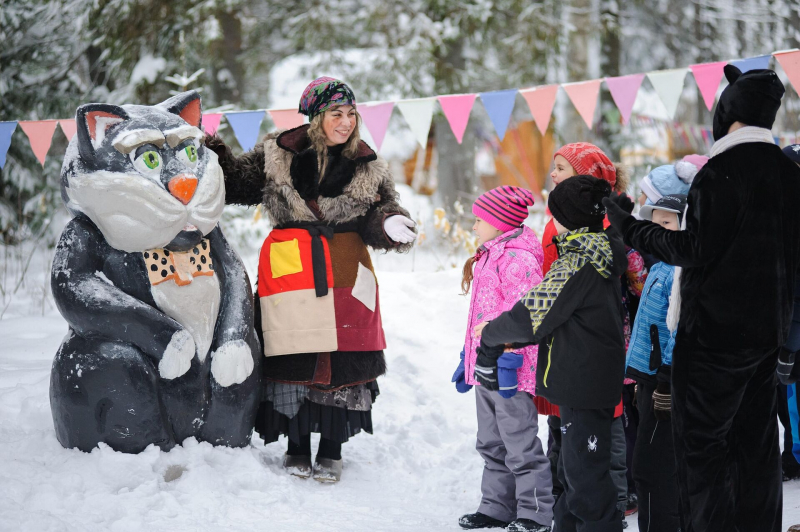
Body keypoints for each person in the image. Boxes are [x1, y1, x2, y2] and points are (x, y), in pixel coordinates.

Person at [603, 65, 800, 532]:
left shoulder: (722, 171)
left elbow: (691, 249)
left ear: (728, 113)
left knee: (702, 455)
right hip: (765, 339)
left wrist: (630, 226)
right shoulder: (789, 174)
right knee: (755, 454)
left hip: (712, 343)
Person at [204, 76, 416, 483]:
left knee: (340, 362)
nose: (347, 121)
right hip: (292, 268)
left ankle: (332, 450)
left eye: (352, 113)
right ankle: (297, 447)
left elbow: (381, 210)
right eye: (337, 113)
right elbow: (237, 184)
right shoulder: (278, 153)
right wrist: (212, 152)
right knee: (293, 355)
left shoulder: (366, 163)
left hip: (344, 269)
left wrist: (390, 223)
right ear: (316, 116)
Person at [476, 175, 627, 532]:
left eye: (554, 211)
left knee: (587, 481)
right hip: (588, 379)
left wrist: (492, 335)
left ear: (566, 218)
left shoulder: (577, 263)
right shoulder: (598, 246)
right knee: (574, 475)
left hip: (584, 383)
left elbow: (532, 314)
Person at [541, 143, 641, 524]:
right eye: (554, 167)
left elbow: (634, 279)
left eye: (561, 168)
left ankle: (610, 505)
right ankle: (565, 508)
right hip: (561, 349)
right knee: (564, 432)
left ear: (588, 179)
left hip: (598, 345)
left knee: (601, 429)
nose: (553, 173)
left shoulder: (608, 226)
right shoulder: (554, 223)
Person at [453, 186, 553, 532]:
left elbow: (528, 313)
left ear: (499, 223)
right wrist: (468, 355)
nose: (474, 226)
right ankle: (496, 507)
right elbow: (481, 312)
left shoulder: (517, 259)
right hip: (484, 365)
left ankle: (535, 513)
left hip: (512, 369)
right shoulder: (491, 253)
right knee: (491, 441)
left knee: (519, 443)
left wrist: (502, 346)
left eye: (478, 220)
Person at [625, 194, 687, 532]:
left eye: (668, 223)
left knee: (653, 467)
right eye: (655, 222)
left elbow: (681, 330)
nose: (658, 230)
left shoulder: (680, 270)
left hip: (664, 381)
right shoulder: (662, 265)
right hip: (649, 376)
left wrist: (665, 377)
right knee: (653, 466)